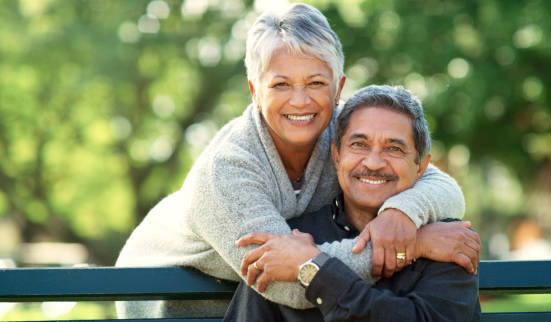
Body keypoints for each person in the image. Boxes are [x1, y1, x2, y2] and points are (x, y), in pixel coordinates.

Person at [115, 3, 476, 318]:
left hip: (258, 301)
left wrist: (402, 213)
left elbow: (437, 182)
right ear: (255, 91)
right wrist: (411, 244)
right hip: (172, 298)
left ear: (338, 88)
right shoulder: (227, 169)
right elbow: (285, 282)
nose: (301, 101)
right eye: (281, 85)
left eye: (316, 83)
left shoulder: (345, 136)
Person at [225, 85, 481, 321]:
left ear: (421, 167)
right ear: (336, 156)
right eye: (359, 145)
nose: (373, 162)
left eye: (394, 149)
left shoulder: (448, 242)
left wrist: (316, 270)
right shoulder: (290, 239)